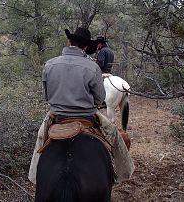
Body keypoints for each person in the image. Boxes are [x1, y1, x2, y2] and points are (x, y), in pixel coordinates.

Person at [28, 27, 134, 185]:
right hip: (87, 116)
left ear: (69, 41)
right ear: (85, 47)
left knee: (41, 136)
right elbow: (99, 99)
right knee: (114, 134)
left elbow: (47, 96)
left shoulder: (49, 65)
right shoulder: (92, 68)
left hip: (56, 115)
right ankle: (124, 173)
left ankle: (34, 177)